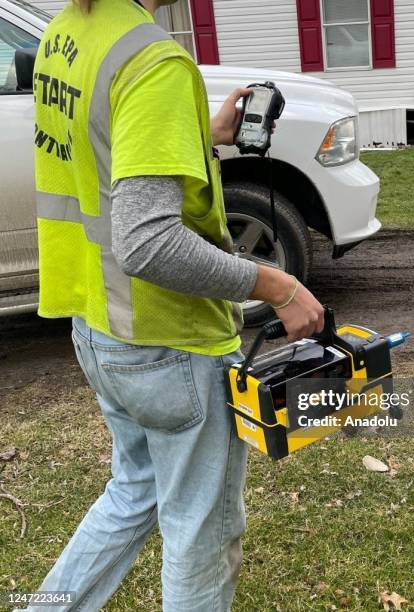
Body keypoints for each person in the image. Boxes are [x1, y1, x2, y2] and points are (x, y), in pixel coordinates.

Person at [25, 0, 324, 610]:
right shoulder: (152, 58)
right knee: (201, 528)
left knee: (133, 491)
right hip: (167, 340)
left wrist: (196, 134)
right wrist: (279, 286)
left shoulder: (68, 31)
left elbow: (107, 149)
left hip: (100, 325)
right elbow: (149, 242)